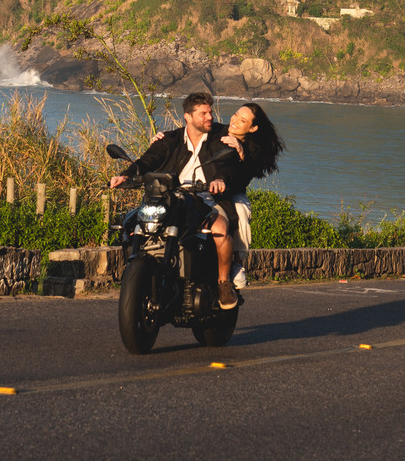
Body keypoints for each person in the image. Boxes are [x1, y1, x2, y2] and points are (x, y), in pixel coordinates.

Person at [109, 92, 241, 308]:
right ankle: (143, 275)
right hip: (170, 200)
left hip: (207, 200)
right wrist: (126, 175)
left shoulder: (220, 137)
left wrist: (220, 179)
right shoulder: (170, 139)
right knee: (132, 224)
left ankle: (224, 283)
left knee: (219, 229)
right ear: (188, 117)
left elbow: (229, 165)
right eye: (203, 113)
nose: (210, 117)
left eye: (210, 112)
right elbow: (147, 160)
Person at [217, 102, 285, 289]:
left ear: (253, 128)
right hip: (210, 189)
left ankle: (237, 263)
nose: (235, 121)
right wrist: (164, 137)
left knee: (240, 211)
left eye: (243, 120)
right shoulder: (218, 132)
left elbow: (246, 174)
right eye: (236, 115)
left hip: (234, 192)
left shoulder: (254, 148)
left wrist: (240, 152)